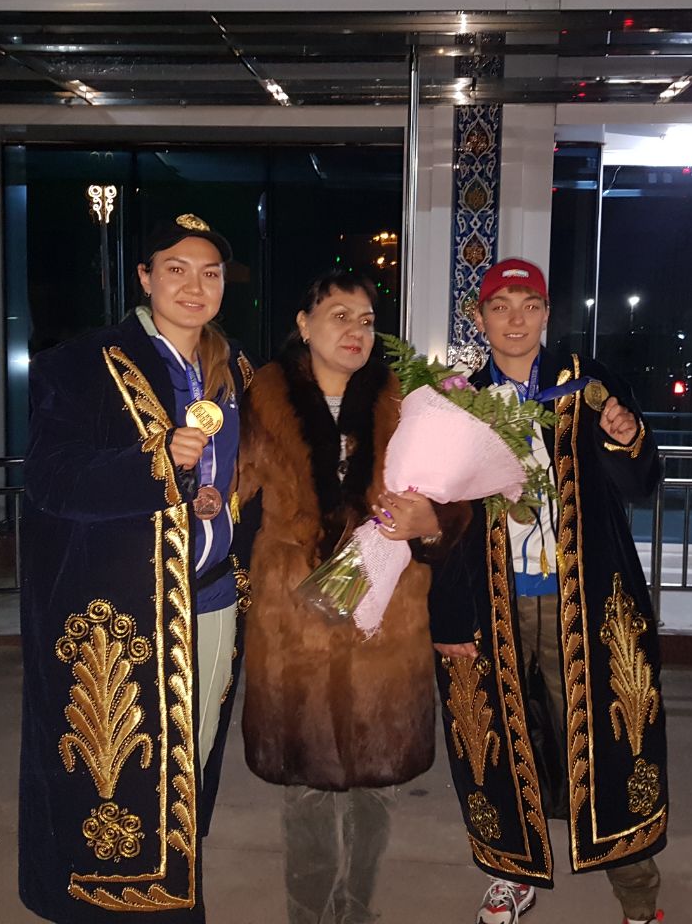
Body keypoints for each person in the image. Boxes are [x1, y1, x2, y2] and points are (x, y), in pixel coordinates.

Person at [19, 214, 255, 923]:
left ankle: (177, 895)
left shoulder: (236, 371)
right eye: (176, 269)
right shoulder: (81, 363)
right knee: (121, 781)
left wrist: (211, 496)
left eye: (210, 273)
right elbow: (51, 479)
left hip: (213, 601)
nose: (194, 286)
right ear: (145, 278)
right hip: (122, 621)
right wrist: (154, 467)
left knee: (191, 772)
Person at [430, 258, 668, 924]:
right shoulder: (455, 400)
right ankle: (511, 875)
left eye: (528, 305)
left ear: (546, 314)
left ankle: (638, 894)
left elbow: (641, 484)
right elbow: (439, 520)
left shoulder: (589, 385)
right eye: (500, 306)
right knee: (497, 741)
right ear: (478, 319)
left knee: (611, 741)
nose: (515, 319)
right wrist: (447, 615)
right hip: (491, 603)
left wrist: (626, 440)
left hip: (588, 602)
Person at [237, 269, 465, 924]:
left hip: (384, 620)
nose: (356, 331)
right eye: (339, 315)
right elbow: (228, 492)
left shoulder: (408, 403)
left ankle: (358, 907)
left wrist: (433, 521)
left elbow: (455, 502)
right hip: (295, 622)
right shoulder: (262, 402)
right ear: (304, 324)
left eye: (366, 320)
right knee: (305, 792)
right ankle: (308, 915)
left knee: (377, 787)